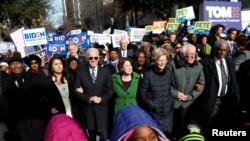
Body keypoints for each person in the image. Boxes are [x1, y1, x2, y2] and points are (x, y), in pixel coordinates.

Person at [198, 39, 241, 139]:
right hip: (213, 98)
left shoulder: (230, 61)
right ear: (215, 49)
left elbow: (232, 79)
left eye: (225, 50)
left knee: (224, 123)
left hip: (227, 98)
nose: (222, 52)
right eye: (220, 50)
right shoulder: (205, 63)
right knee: (210, 123)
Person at [74, 48, 114, 141]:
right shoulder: (80, 72)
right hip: (88, 110)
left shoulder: (105, 71)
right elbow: (75, 91)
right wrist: (89, 98)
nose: (93, 60)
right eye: (91, 57)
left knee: (104, 136)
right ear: (87, 58)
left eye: (96, 58)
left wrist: (101, 98)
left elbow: (110, 90)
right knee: (91, 136)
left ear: (99, 58)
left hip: (102, 109)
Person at [168, 43, 205, 137]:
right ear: (182, 54)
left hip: (189, 104)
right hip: (172, 103)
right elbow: (164, 82)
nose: (192, 56)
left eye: (194, 54)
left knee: (186, 130)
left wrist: (189, 97)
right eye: (190, 54)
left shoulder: (198, 66)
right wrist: (176, 94)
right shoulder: (171, 65)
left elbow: (201, 84)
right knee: (171, 131)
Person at [140, 48, 176, 138]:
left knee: (168, 136)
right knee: (156, 136)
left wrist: (172, 102)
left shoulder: (169, 71)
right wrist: (152, 105)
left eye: (165, 60)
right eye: (160, 60)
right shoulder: (148, 73)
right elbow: (143, 92)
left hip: (168, 111)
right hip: (155, 113)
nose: (163, 63)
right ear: (154, 60)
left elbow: (173, 87)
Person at [47, 56, 81, 121]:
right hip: (59, 115)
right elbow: (45, 98)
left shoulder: (70, 78)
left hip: (74, 113)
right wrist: (50, 108)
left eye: (60, 63)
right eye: (56, 64)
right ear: (51, 67)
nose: (59, 66)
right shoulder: (48, 82)